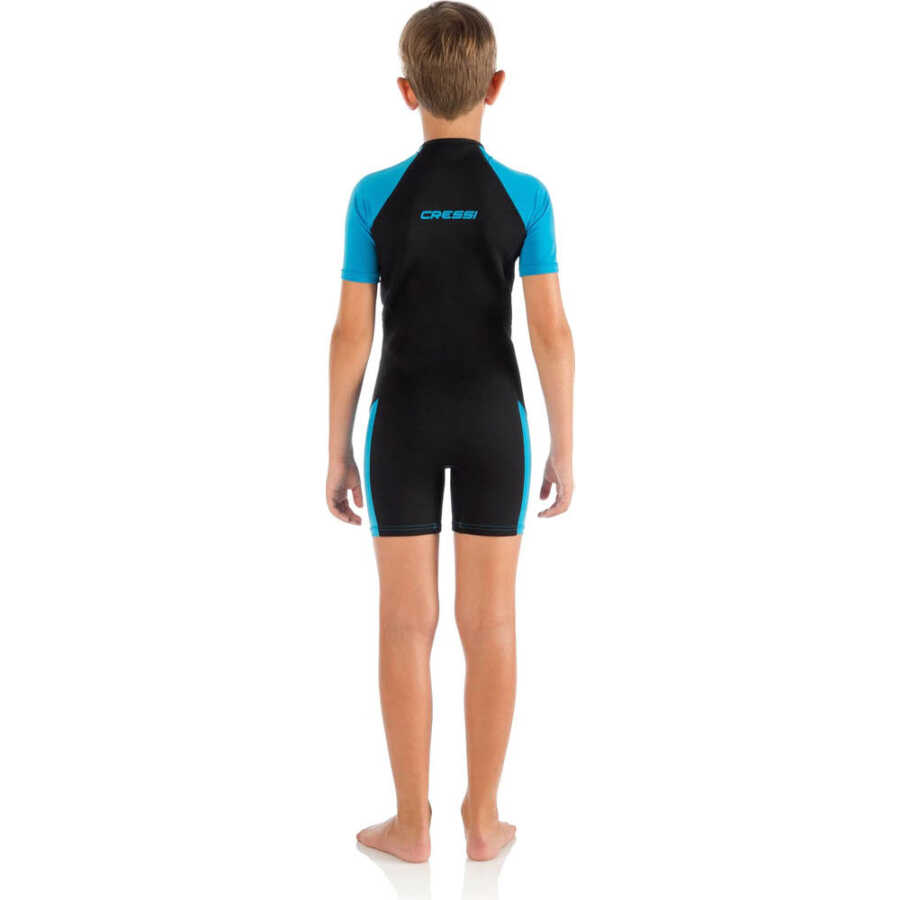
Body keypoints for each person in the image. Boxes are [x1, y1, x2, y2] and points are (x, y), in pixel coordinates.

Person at [326, 1, 575, 862]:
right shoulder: (526, 196)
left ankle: (409, 823)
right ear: (494, 87)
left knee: (405, 624)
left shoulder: (373, 197)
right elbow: (551, 333)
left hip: (399, 421)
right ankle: (482, 817)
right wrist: (564, 443)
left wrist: (337, 447)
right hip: (493, 423)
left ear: (407, 91)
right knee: (491, 623)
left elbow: (350, 334)